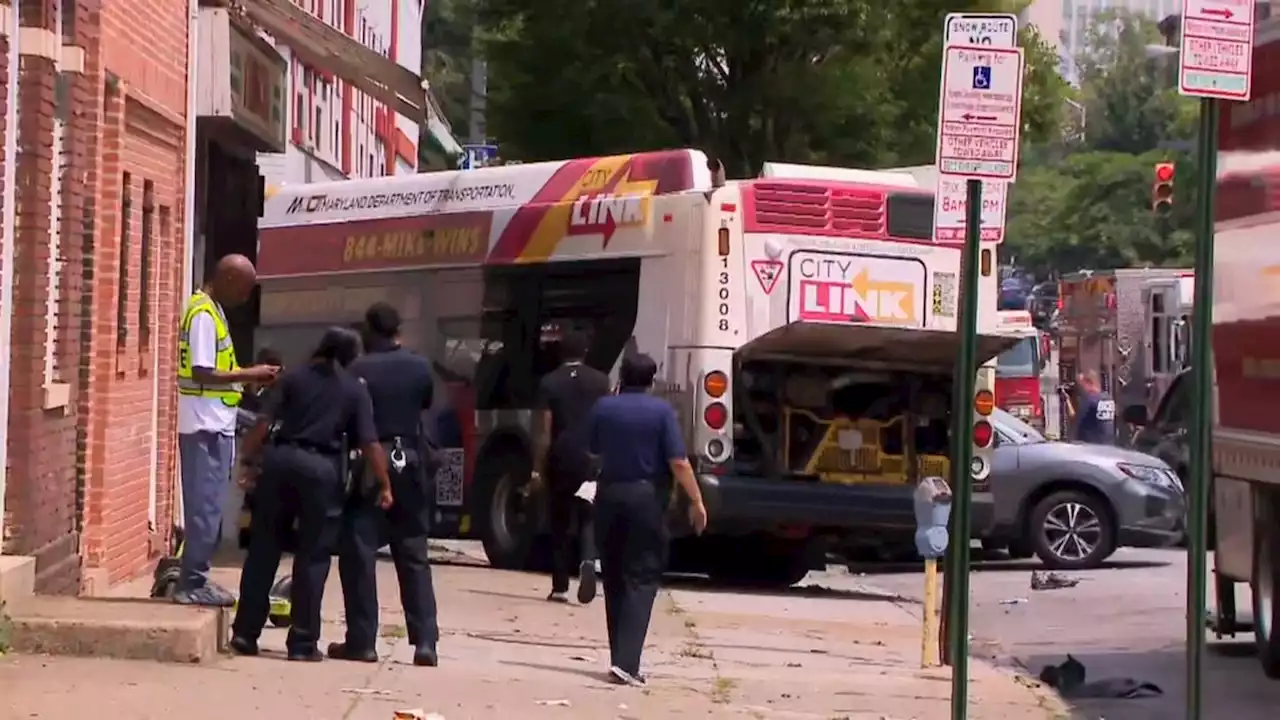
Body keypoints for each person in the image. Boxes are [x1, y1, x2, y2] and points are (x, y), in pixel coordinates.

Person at [228, 327, 392, 661]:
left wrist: (247, 460)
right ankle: (302, 643)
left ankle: (245, 634)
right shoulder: (353, 389)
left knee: (263, 550)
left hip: (280, 462)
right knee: (313, 556)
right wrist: (385, 483)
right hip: (322, 471)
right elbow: (370, 443)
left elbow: (262, 424)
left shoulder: (292, 379)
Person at [330, 302, 441, 667]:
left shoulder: (356, 369)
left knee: (360, 552)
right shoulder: (420, 366)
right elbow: (425, 406)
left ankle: (362, 641)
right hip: (410, 461)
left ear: (369, 330)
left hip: (369, 464)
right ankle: (425, 641)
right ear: (399, 331)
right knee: (413, 554)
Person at [587, 352, 708, 686]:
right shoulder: (661, 412)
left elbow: (593, 448)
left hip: (609, 495)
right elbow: (679, 462)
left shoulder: (603, 407)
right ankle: (627, 663)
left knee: (613, 576)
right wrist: (696, 501)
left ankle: (620, 658)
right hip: (645, 500)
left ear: (621, 377)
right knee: (641, 578)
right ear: (652, 380)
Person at [175, 253, 280, 606]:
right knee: (204, 505)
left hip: (214, 420)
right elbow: (203, 371)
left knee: (212, 504)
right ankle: (191, 583)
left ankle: (197, 578)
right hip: (203, 424)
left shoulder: (212, 310)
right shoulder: (203, 314)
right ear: (230, 280)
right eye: (245, 289)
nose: (245, 299)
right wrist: (250, 374)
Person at [529, 329, 611, 604]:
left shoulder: (549, 383)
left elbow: (544, 430)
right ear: (585, 352)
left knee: (560, 520)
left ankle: (560, 586)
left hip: (561, 456)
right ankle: (588, 560)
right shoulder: (601, 381)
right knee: (588, 512)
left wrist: (537, 468)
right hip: (591, 456)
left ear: (560, 353)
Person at [1067, 371, 1116, 445]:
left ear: (1088, 383)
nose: (1081, 389)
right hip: (1108, 444)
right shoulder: (1108, 398)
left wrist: (1067, 401)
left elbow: (1075, 418)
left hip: (1090, 446)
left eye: (1081, 385)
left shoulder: (1089, 400)